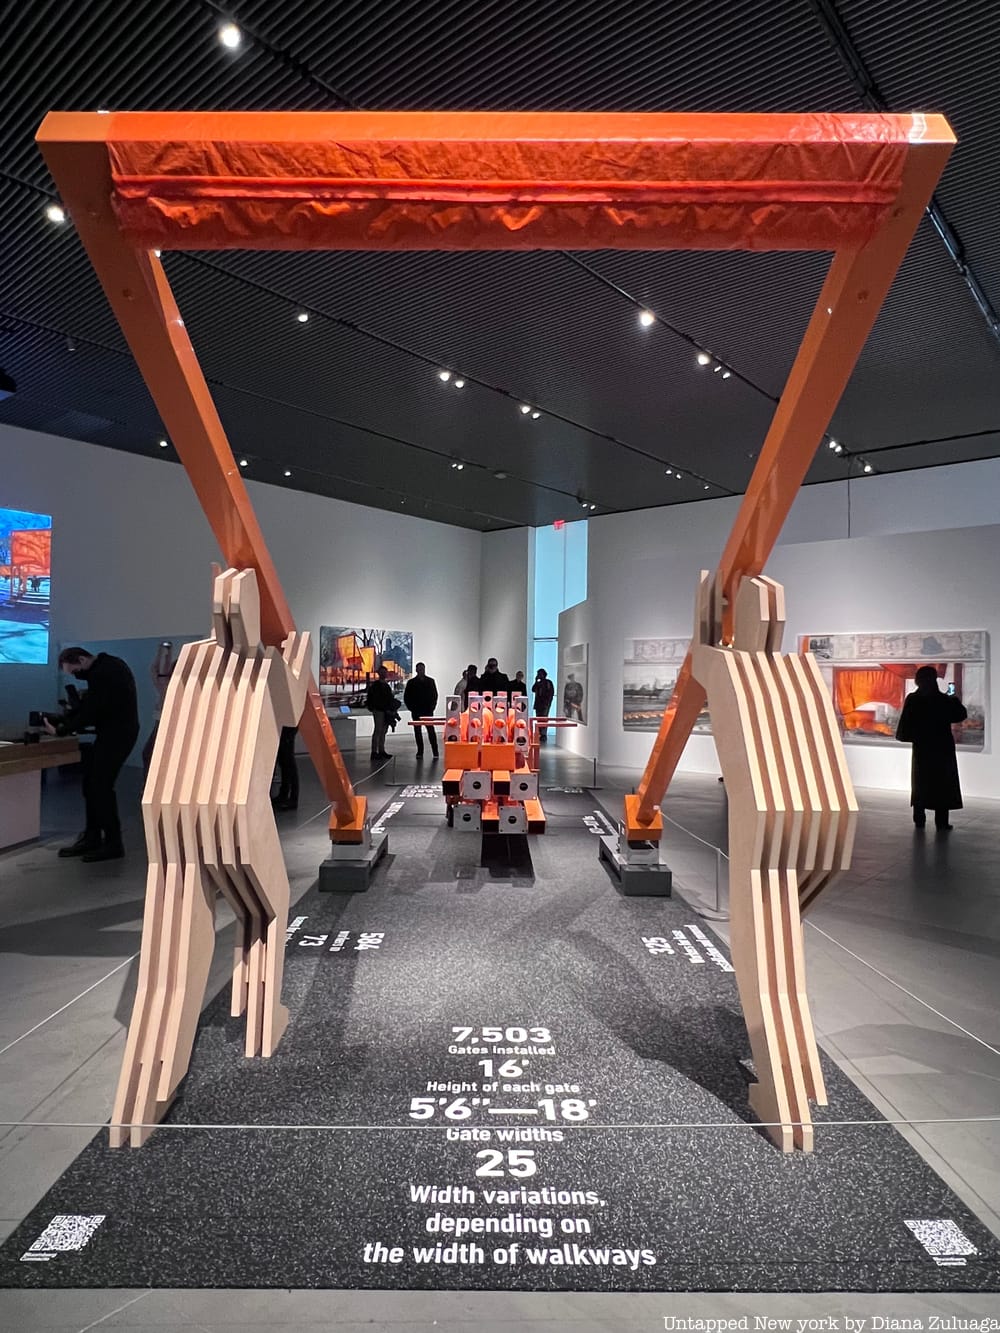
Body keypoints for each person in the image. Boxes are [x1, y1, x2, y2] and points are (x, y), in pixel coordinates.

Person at [45, 646, 140, 861]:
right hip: (113, 733)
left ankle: (113, 843)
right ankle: (92, 836)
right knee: (91, 785)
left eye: (75, 671)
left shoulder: (104, 672)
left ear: (81, 659)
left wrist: (62, 729)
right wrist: (69, 720)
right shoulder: (107, 667)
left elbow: (93, 710)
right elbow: (94, 706)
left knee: (100, 787)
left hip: (118, 735)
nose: (77, 676)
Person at [895, 666, 968, 831]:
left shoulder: (913, 699)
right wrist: (953, 698)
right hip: (942, 747)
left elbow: (906, 724)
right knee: (942, 783)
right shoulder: (943, 699)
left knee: (921, 782)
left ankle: (919, 818)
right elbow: (960, 715)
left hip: (922, 747)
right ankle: (941, 821)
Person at [141, 639, 176, 772]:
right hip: (161, 721)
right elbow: (155, 669)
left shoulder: (168, 686)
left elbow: (156, 669)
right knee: (148, 754)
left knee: (149, 754)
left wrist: (163, 651)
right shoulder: (164, 684)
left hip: (165, 722)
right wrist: (162, 651)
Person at [403, 661, 439, 759]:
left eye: (422, 669)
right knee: (418, 731)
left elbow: (434, 695)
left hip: (427, 710)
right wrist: (411, 708)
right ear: (416, 670)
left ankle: (435, 751)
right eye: (419, 669)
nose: (421, 671)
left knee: (430, 731)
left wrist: (432, 707)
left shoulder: (430, 681)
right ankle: (420, 751)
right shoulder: (411, 683)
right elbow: (407, 697)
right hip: (416, 711)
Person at [365, 666, 396, 760]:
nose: (384, 674)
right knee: (378, 730)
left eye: (385, 672)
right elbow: (373, 699)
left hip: (385, 710)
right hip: (379, 710)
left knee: (383, 731)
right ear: (379, 673)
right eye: (382, 672)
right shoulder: (376, 686)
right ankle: (374, 752)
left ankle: (381, 751)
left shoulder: (385, 686)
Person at [273, 725, 299, 810]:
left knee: (287, 759)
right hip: (285, 724)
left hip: (288, 725)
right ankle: (284, 794)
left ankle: (291, 797)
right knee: (283, 759)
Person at [532, 667, 555, 741]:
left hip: (545, 705)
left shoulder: (548, 682)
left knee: (544, 719)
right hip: (538, 704)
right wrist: (536, 681)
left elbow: (551, 693)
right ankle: (540, 733)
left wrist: (548, 703)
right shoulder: (538, 683)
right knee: (539, 719)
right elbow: (533, 689)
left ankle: (543, 734)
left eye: (539, 674)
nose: (538, 675)